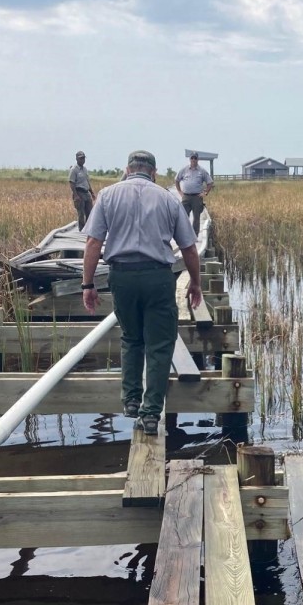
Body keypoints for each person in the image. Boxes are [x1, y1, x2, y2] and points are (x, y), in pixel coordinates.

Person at [81, 149, 202, 437]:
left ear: (127, 169)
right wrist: (195, 282)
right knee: (159, 346)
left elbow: (93, 243)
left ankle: (131, 400)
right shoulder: (168, 198)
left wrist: (87, 285)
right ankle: (150, 415)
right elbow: (189, 248)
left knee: (131, 338)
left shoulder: (108, 195)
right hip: (157, 278)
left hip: (121, 276)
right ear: (154, 172)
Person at [174, 152, 214, 238]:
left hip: (197, 197)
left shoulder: (202, 171)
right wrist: (180, 192)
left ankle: (194, 235)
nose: (193, 160)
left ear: (197, 159)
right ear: (189, 159)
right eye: (192, 158)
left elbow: (210, 182)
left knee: (196, 217)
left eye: (195, 158)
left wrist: (205, 192)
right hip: (186, 196)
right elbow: (177, 180)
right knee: (183, 216)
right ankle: (184, 235)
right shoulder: (184, 170)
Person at [69, 150, 95, 229]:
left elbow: (87, 181)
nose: (82, 160)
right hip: (79, 192)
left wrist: (92, 192)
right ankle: (81, 229)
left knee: (90, 212)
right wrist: (76, 195)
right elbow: (71, 182)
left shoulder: (85, 169)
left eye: (83, 158)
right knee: (81, 213)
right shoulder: (74, 169)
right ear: (77, 159)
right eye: (80, 158)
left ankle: (88, 229)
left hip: (86, 192)